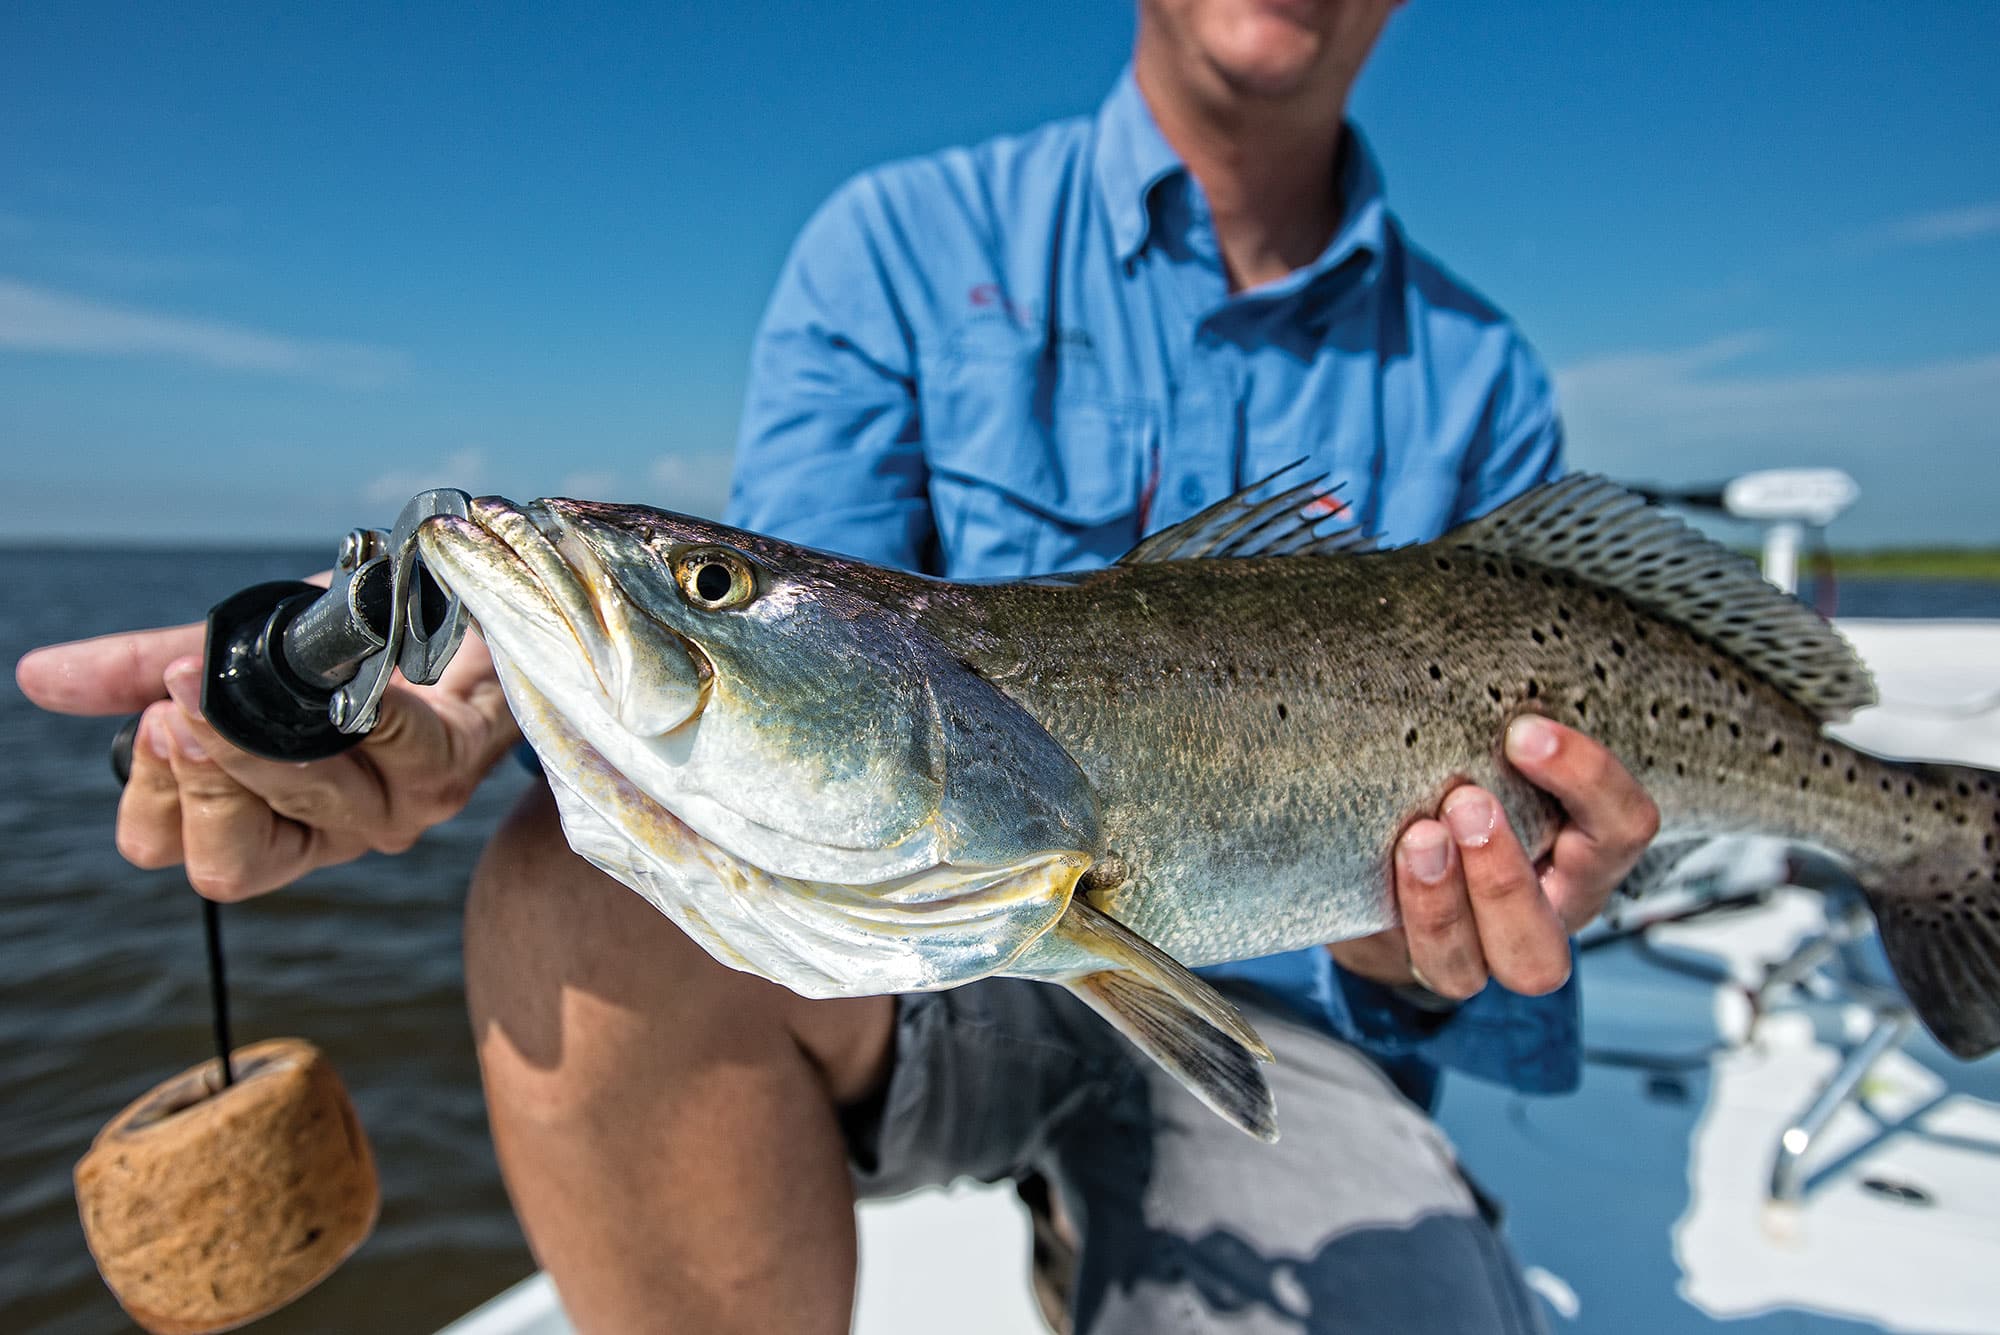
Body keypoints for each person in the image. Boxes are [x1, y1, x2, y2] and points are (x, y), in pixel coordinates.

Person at [16, 2, 1660, 1331]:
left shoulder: (1481, 371)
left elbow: (1483, 981)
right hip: (940, 973)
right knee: (571, 900)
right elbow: (797, 695)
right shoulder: (898, 246)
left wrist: (1437, 946)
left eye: (705, 581)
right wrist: (482, 706)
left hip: (1301, 1021)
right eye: (710, 585)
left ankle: (1104, 1231)